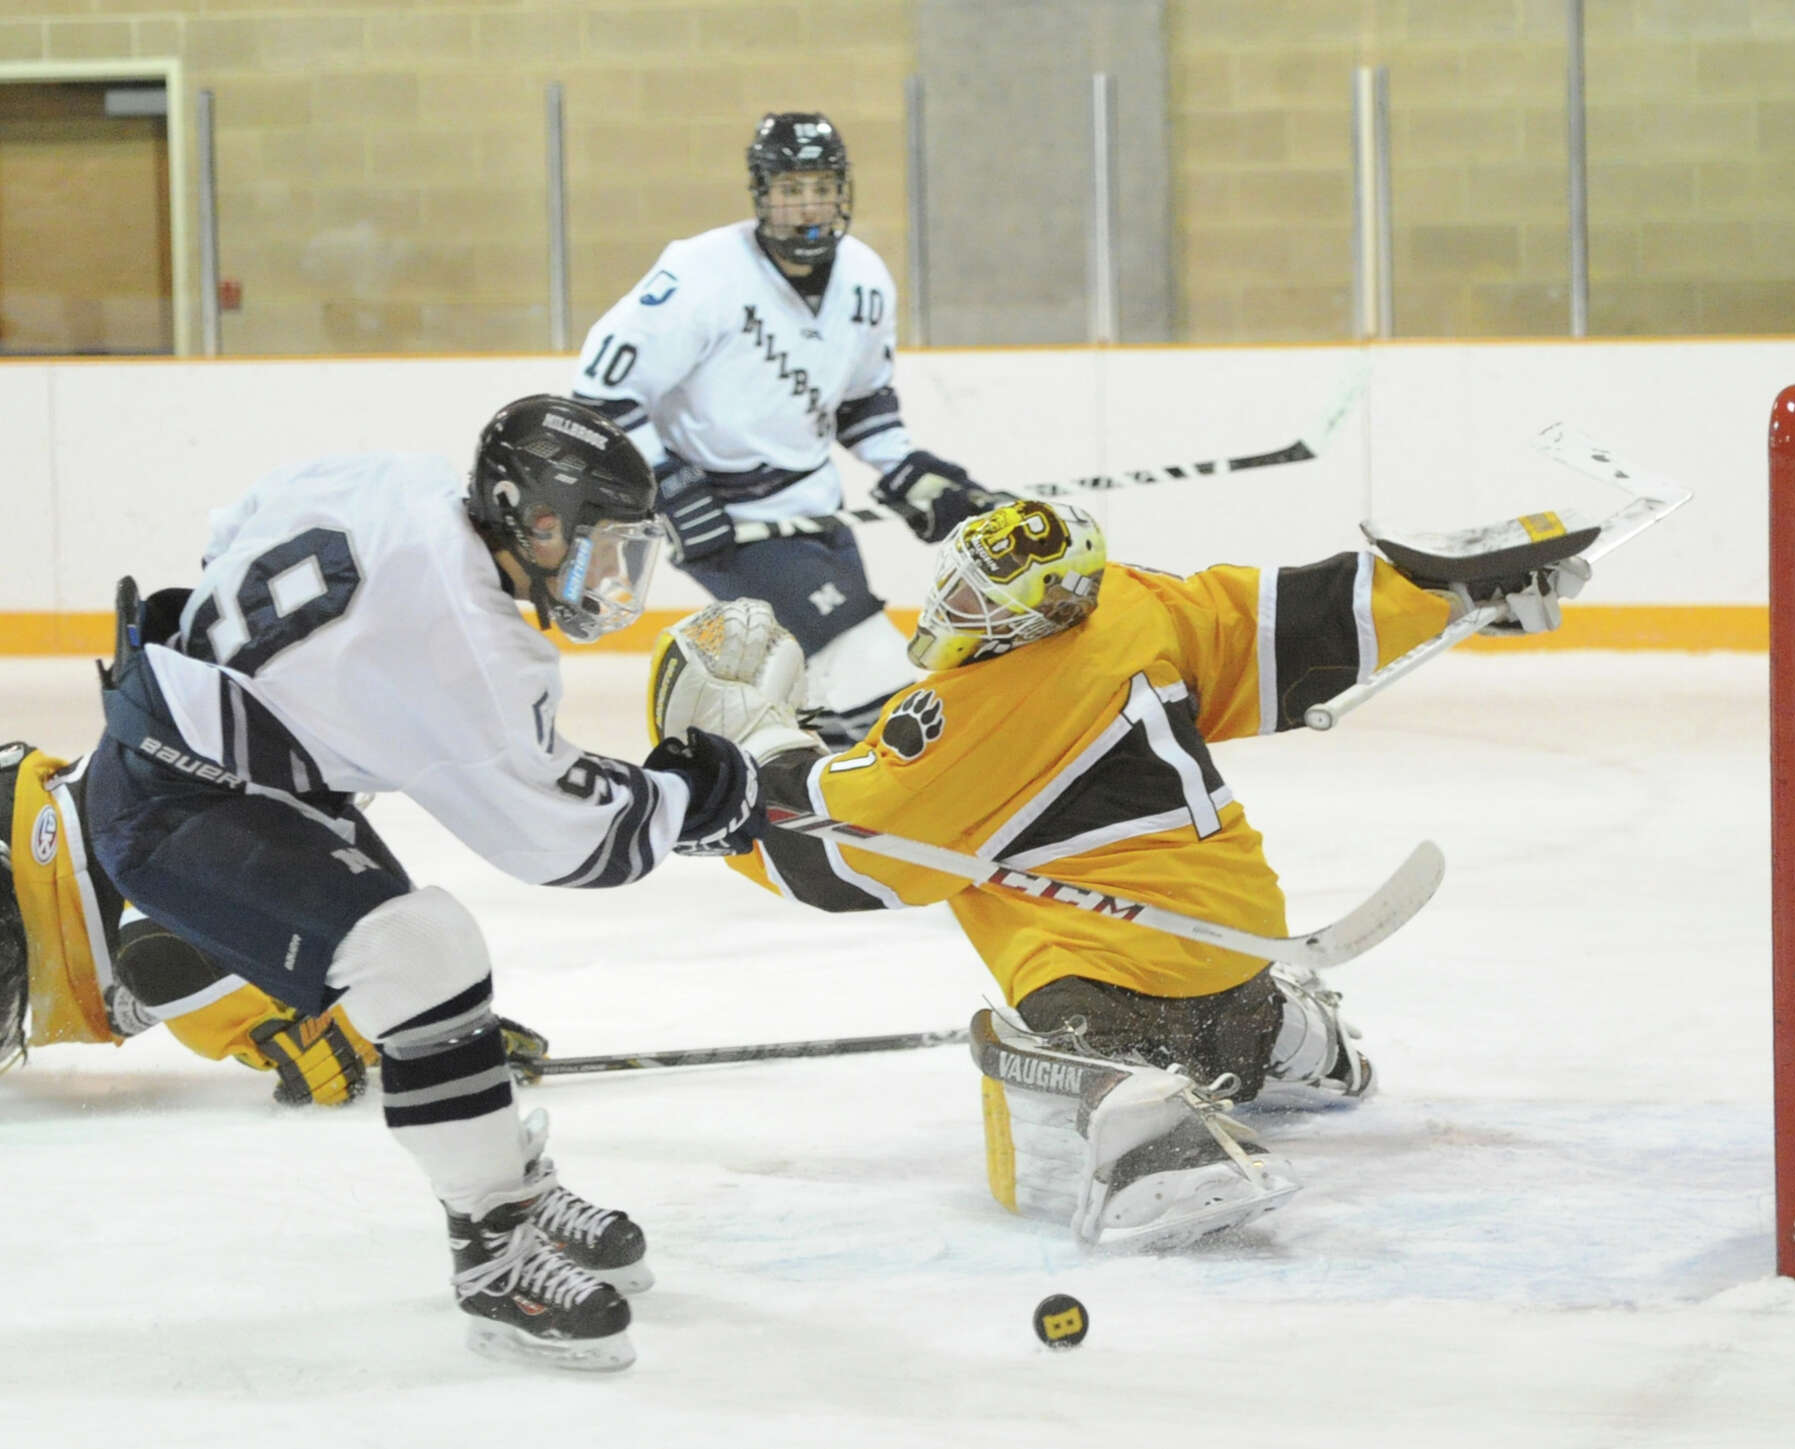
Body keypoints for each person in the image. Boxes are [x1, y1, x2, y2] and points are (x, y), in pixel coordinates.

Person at [647, 498, 1589, 1250]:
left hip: (1110, 1001)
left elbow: (840, 851)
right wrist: (1457, 591)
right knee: (1207, 970)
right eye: (959, 588)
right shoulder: (1133, 605)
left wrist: (744, 752)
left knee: (1020, 1044)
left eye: (981, 603)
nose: (954, 614)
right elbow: (1282, 624)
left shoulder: (973, 719)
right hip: (1237, 960)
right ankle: (1281, 1036)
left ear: (1042, 609)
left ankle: (1146, 1130)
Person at [80, 395, 765, 1372]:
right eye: (587, 540)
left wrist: (312, 693)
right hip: (177, 812)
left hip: (220, 764)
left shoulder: (389, 480)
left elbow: (227, 535)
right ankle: (495, 1252)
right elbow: (563, 838)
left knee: (420, 969)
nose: (605, 571)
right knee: (426, 955)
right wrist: (698, 794)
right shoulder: (474, 642)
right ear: (514, 511)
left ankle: (508, 1190)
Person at [570, 110, 1006, 748]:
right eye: (790, 189)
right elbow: (598, 395)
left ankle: (801, 813)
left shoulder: (864, 278)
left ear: (842, 193)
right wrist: (667, 485)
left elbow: (862, 403)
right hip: (725, 523)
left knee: (816, 692)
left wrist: (908, 470)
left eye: (822, 188)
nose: (807, 206)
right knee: (870, 672)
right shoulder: (699, 274)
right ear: (762, 193)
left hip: (815, 511)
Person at [1, 738, 548, 1108]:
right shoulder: (235, 773)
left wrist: (417, 1021)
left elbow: (175, 946)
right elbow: (163, 954)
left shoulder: (259, 778)